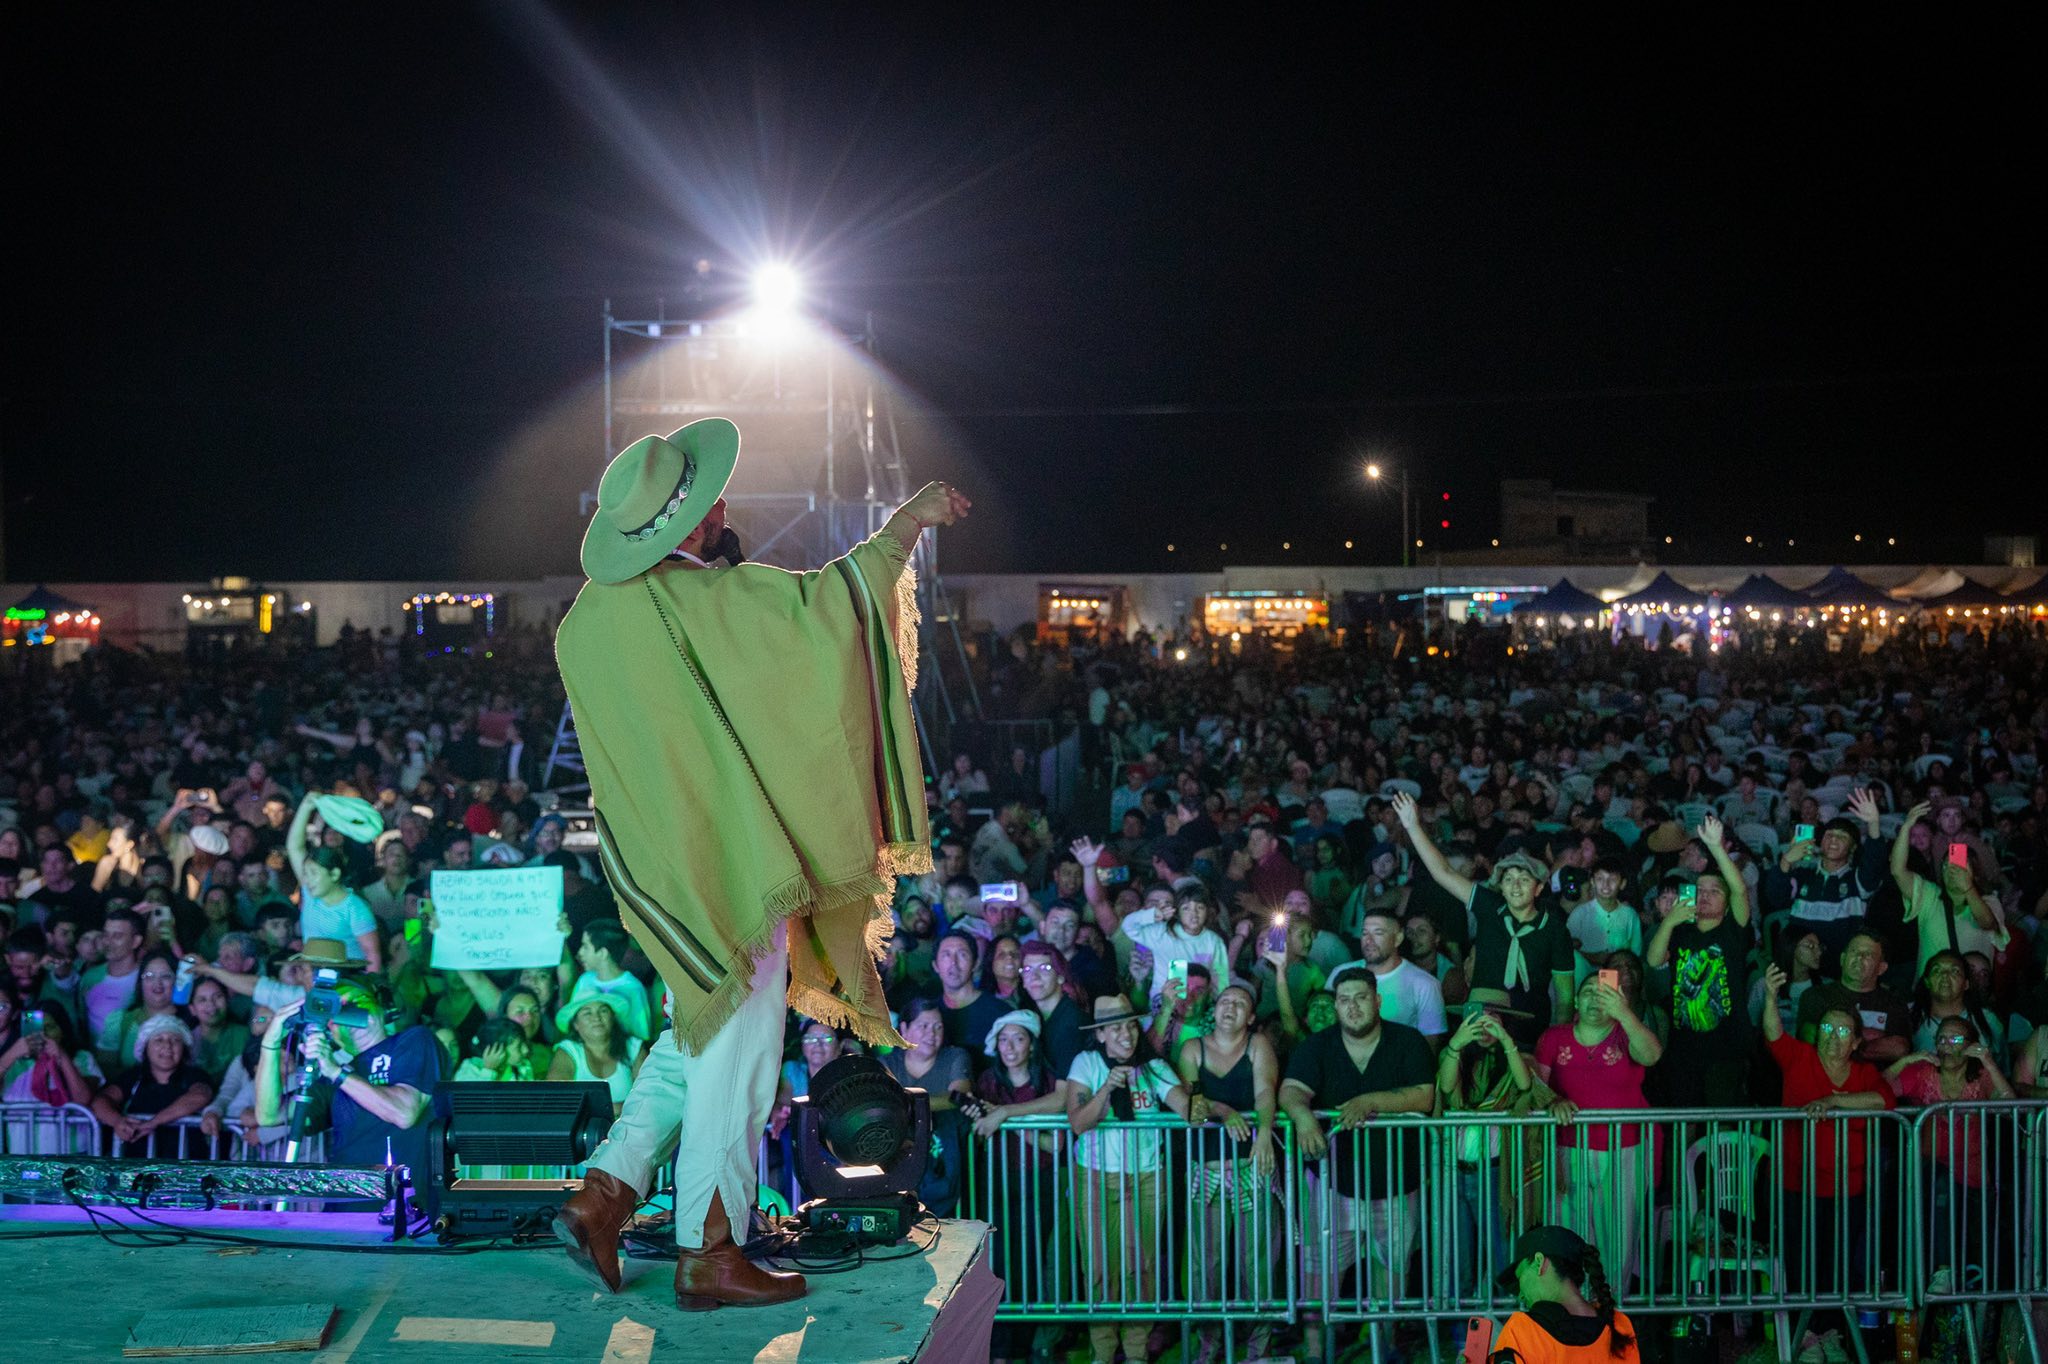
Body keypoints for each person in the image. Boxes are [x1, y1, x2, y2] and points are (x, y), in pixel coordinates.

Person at [549, 420, 965, 1311]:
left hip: (662, 875)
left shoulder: (583, 625)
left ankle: (604, 1195)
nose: (721, 512)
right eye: (707, 507)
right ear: (687, 524)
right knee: (738, 1059)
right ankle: (710, 1249)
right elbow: (828, 611)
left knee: (697, 1036)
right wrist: (905, 526)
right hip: (734, 869)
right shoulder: (714, 601)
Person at [1279, 964, 1435, 1354]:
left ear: (1377, 1001)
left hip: (1396, 1181)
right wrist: (1302, 1117)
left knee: (1392, 1273)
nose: (1352, 1007)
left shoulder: (1407, 1040)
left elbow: (1424, 1096)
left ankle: (1384, 1348)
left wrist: (1370, 1101)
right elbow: (1291, 1089)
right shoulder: (1318, 1045)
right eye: (1344, 1000)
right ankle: (1316, 1352)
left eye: (1361, 998)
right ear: (1336, 1006)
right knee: (1319, 1273)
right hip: (1334, 1183)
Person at [1758, 963, 1896, 1304]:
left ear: (1856, 1042)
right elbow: (1774, 1035)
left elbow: (1884, 1100)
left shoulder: (1864, 1074)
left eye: (1844, 1030)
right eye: (1827, 1028)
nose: (1834, 1036)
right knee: (1799, 1265)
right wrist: (1771, 996)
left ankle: (1831, 1328)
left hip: (1846, 1190)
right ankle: (1804, 1331)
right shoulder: (1800, 1058)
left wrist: (1833, 1100)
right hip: (1795, 1186)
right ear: (1817, 1033)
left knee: (1837, 1269)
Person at [1065, 993, 1191, 1364]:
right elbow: (1078, 1123)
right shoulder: (1086, 1063)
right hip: (1095, 1176)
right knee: (1099, 1267)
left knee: (1142, 1266)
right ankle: (1103, 1352)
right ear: (1100, 1034)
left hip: (1147, 1176)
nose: (1126, 1034)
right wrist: (1107, 1088)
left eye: (1131, 1026)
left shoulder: (1153, 1066)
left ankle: (1136, 1352)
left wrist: (1206, 1103)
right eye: (1116, 1027)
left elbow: (1188, 1109)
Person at [1398, 793, 1573, 1048]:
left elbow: (1565, 997)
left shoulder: (1554, 928)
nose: (1515, 886)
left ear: (1538, 888)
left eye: (1524, 879)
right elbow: (1443, 872)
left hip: (1530, 1028)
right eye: (1508, 879)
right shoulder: (1490, 906)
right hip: (1479, 1022)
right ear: (1500, 886)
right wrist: (1413, 826)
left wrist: (1559, 1045)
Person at [253, 974, 441, 1211]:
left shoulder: (414, 1040)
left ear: (381, 1007)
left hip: (404, 1210)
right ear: (331, 1029)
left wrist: (336, 1072)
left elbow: (405, 1113)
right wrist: (270, 1044)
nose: (347, 1011)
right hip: (344, 1210)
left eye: (355, 1001)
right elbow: (268, 1115)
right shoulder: (333, 1077)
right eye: (337, 1009)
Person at [1535, 971, 1662, 1294]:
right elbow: (1535, 1087)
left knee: (1617, 1240)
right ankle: (1572, 1314)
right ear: (1576, 1001)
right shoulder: (1554, 1038)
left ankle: (1610, 1313)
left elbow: (1652, 1055)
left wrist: (1624, 1013)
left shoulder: (1626, 1034)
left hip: (1623, 1151)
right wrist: (1553, 1101)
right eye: (1588, 991)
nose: (1595, 997)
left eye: (1604, 992)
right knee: (1568, 1239)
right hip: (1567, 1150)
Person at [1177, 980, 1280, 1364]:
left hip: (1250, 1165)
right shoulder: (1193, 1048)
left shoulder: (1258, 1045)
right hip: (1207, 1169)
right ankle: (1210, 1344)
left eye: (1240, 1003)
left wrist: (1264, 1132)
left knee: (1259, 1262)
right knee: (1207, 1263)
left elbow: (1265, 1091)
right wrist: (1225, 1110)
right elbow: (1192, 1101)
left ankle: (1259, 1348)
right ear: (1214, 1009)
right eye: (1225, 1001)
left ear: (1251, 1017)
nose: (1230, 1007)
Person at [967, 1009, 1065, 1364]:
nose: (1010, 1046)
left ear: (1032, 1044)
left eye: (1018, 1038)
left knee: (1031, 1262)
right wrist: (988, 1117)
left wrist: (1007, 1117)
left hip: (1038, 1182)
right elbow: (979, 1134)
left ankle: (1024, 1347)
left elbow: (1055, 1144)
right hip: (997, 1183)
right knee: (998, 1264)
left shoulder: (1047, 1083)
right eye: (1004, 1039)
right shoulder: (987, 1082)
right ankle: (999, 1349)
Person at [1437, 991, 1544, 1299]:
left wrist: (1506, 1041)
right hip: (1456, 1171)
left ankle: (1505, 1319)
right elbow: (1447, 1089)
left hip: (1496, 1171)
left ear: (1505, 1023)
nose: (1484, 1026)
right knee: (1457, 1254)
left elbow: (1524, 1085)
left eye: (1492, 1018)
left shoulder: (1519, 1058)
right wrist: (1457, 1043)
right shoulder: (1454, 1056)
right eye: (1477, 1018)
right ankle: (1460, 1324)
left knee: (1501, 1252)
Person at [1644, 813, 1754, 1107]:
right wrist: (1669, 921)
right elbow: (1654, 960)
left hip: (1727, 1045)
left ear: (1727, 904)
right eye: (1700, 890)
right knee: (1685, 1117)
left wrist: (1716, 847)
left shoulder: (1733, 931)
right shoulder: (1680, 930)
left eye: (1714, 892)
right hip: (1683, 1046)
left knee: (1722, 1118)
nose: (1705, 895)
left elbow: (1740, 889)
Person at [1492, 1224, 1641, 1363]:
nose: (1521, 1295)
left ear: (1539, 1262)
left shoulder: (1521, 1331)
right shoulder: (1620, 1326)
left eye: (1520, 1276)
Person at [89, 1014, 214, 1155]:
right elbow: (101, 1101)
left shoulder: (195, 1075)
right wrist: (117, 1121)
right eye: (159, 1040)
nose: (167, 1045)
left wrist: (154, 1122)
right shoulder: (133, 1077)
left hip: (185, 1162)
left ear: (184, 1048)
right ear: (145, 1047)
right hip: (137, 1162)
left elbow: (200, 1096)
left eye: (175, 1040)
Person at [285, 796, 381, 970]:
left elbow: (372, 953)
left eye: (314, 873)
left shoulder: (355, 908)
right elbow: (294, 847)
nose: (307, 879)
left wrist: (369, 984)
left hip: (348, 977)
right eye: (306, 873)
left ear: (334, 874)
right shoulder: (310, 893)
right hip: (314, 975)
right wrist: (306, 806)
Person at [546, 989, 644, 1112]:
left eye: (603, 1011)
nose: (597, 1018)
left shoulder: (634, 1047)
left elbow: (649, 1095)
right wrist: (615, 1109)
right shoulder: (569, 1050)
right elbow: (557, 1097)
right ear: (576, 1024)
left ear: (612, 1017)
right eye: (587, 1013)